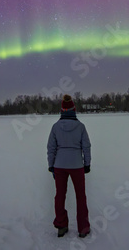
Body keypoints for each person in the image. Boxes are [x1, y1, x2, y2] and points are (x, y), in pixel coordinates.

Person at [47, 94, 91, 238]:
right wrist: (87, 164)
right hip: (77, 165)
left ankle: (61, 225)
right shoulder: (80, 127)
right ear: (73, 110)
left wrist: (51, 165)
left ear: (62, 111)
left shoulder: (55, 127)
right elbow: (86, 147)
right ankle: (83, 228)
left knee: (60, 196)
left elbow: (51, 148)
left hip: (60, 165)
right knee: (81, 196)